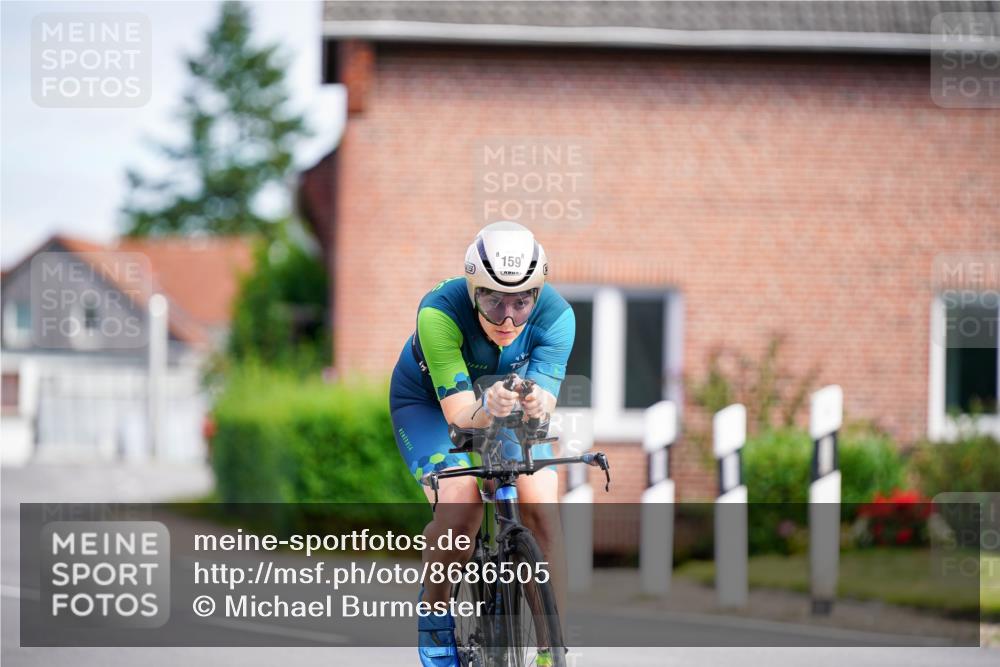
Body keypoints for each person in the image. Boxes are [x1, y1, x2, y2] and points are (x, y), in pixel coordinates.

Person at [389, 221, 575, 667]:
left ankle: (552, 650)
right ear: (473, 290)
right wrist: (487, 405)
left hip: (502, 401)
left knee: (542, 510)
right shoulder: (438, 314)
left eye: (521, 302)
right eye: (493, 301)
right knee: (462, 508)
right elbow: (460, 420)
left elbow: (543, 406)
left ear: (538, 291)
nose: (508, 318)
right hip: (431, 405)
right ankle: (435, 628)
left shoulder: (558, 316)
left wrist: (532, 408)